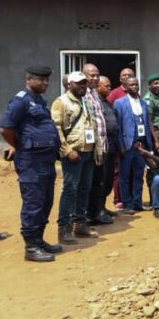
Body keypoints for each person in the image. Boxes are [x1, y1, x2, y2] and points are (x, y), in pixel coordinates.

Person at [0, 65, 62, 262]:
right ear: (28, 79)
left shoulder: (40, 102)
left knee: (46, 202)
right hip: (30, 161)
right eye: (40, 79)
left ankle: (39, 239)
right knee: (33, 203)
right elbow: (5, 128)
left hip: (46, 160)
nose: (45, 83)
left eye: (46, 80)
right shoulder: (21, 101)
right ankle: (31, 247)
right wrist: (17, 145)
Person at [52, 71, 101, 244]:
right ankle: (63, 229)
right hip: (74, 153)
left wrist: (96, 149)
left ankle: (80, 224)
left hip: (88, 151)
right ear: (69, 85)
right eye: (79, 83)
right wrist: (66, 150)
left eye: (84, 83)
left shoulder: (85, 101)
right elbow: (56, 129)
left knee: (84, 188)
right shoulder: (61, 102)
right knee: (70, 190)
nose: (83, 86)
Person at [113, 76, 154, 213]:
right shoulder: (120, 103)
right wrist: (121, 146)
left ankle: (137, 202)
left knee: (138, 175)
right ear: (125, 86)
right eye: (131, 85)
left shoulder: (143, 103)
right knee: (125, 176)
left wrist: (149, 144)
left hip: (141, 145)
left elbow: (147, 125)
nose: (135, 87)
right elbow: (118, 127)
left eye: (136, 84)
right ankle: (127, 204)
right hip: (127, 145)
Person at [82, 64, 111, 226]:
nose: (94, 78)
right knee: (86, 183)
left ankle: (96, 213)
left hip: (100, 147)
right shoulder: (81, 94)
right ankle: (84, 216)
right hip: (88, 148)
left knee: (99, 181)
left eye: (96, 75)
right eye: (91, 75)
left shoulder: (94, 94)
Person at [88, 76, 119, 225]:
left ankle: (103, 207)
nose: (109, 88)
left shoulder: (106, 102)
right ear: (97, 87)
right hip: (101, 147)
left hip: (111, 145)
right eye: (106, 86)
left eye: (110, 86)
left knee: (107, 180)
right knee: (100, 179)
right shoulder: (94, 102)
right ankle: (96, 211)